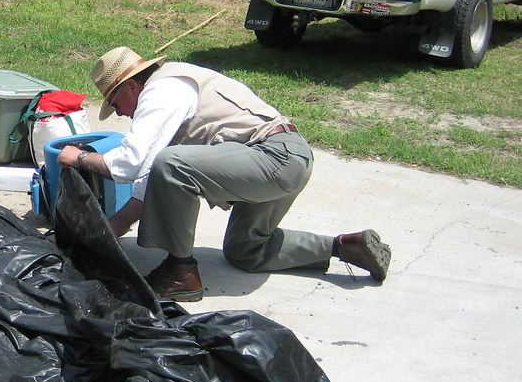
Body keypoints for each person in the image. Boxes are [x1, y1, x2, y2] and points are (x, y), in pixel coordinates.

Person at [57, 46, 391, 302]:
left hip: (274, 157)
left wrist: (81, 158)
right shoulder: (170, 90)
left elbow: (130, 165)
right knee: (246, 251)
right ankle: (344, 247)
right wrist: (111, 229)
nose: (122, 114)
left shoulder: (162, 90)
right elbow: (149, 180)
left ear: (131, 86)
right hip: (282, 160)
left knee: (172, 162)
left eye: (116, 104)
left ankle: (180, 273)